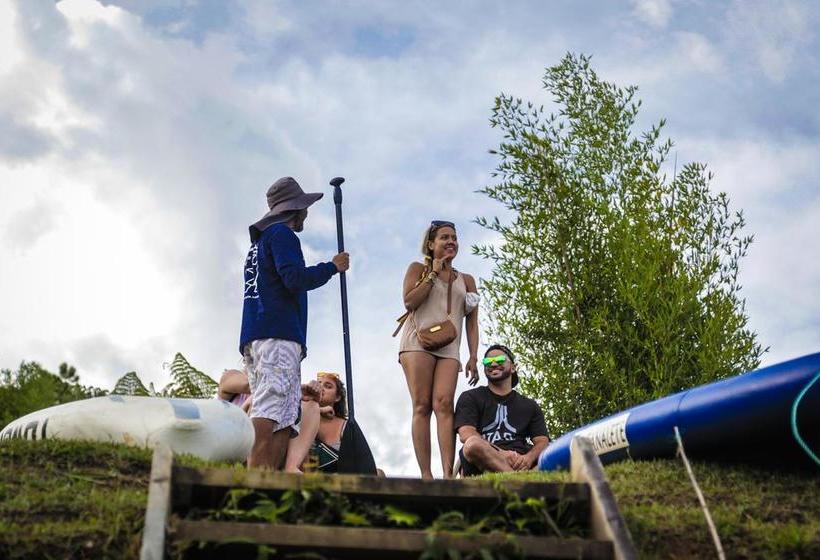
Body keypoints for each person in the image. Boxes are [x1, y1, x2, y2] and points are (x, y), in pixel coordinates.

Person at [240, 176, 349, 470]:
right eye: (304, 207)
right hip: (278, 332)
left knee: (285, 412)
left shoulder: (259, 244)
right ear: (295, 209)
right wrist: (332, 267)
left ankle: (271, 478)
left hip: (258, 333)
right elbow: (294, 278)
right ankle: (255, 478)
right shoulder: (282, 235)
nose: (307, 213)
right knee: (270, 405)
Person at [397, 220, 480, 479]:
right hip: (417, 343)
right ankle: (426, 474)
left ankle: (447, 474)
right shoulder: (417, 269)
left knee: (444, 404)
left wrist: (473, 355)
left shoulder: (466, 280)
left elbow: (472, 322)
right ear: (431, 244)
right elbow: (410, 301)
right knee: (422, 405)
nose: (451, 241)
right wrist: (432, 274)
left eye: (454, 237)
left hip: (449, 347)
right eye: (444, 237)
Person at [454, 344, 549, 475]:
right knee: (472, 444)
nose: (493, 364)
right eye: (487, 361)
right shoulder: (470, 397)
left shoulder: (530, 405)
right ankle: (520, 482)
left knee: (561, 450)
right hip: (482, 460)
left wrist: (528, 458)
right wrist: (502, 454)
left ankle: (519, 478)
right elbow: (466, 434)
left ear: (513, 368)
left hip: (520, 460)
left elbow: (542, 441)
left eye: (499, 360)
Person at [285, 371, 349, 473]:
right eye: (318, 383)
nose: (321, 387)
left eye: (328, 386)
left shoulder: (346, 426)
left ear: (337, 397)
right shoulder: (300, 410)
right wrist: (318, 410)